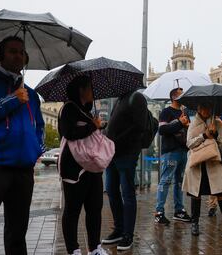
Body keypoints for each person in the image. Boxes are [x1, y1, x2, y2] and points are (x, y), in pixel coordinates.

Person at [0, 36, 45, 255]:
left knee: (17, 231)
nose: (18, 56)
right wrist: (12, 99)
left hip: (23, 169)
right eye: (12, 51)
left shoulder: (31, 94)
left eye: (21, 52)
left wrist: (35, 150)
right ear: (0, 55)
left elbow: (39, 126)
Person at [58, 75, 108, 255]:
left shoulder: (87, 111)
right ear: (81, 90)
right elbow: (69, 132)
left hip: (92, 167)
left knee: (95, 209)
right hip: (73, 168)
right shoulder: (68, 108)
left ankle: (95, 248)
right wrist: (92, 126)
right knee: (72, 210)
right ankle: (73, 250)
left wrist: (96, 125)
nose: (93, 92)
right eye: (90, 88)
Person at [102, 89, 157, 251]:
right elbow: (116, 125)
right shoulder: (119, 100)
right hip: (113, 153)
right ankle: (118, 230)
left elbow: (139, 127)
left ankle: (128, 235)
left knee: (127, 193)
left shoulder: (136, 97)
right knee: (111, 190)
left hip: (127, 153)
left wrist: (117, 139)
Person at [182, 103, 222, 237]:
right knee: (195, 194)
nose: (206, 111)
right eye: (203, 108)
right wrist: (203, 136)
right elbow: (189, 143)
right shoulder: (193, 123)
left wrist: (215, 134)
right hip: (197, 164)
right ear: (198, 109)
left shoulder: (216, 122)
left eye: (208, 108)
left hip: (213, 163)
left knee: (220, 193)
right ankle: (195, 224)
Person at [154, 88, 191, 224]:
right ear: (174, 97)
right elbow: (162, 130)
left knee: (180, 181)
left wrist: (187, 125)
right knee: (165, 180)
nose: (184, 95)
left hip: (183, 150)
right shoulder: (166, 111)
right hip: (170, 151)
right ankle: (159, 212)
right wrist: (179, 123)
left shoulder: (184, 112)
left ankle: (179, 210)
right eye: (181, 93)